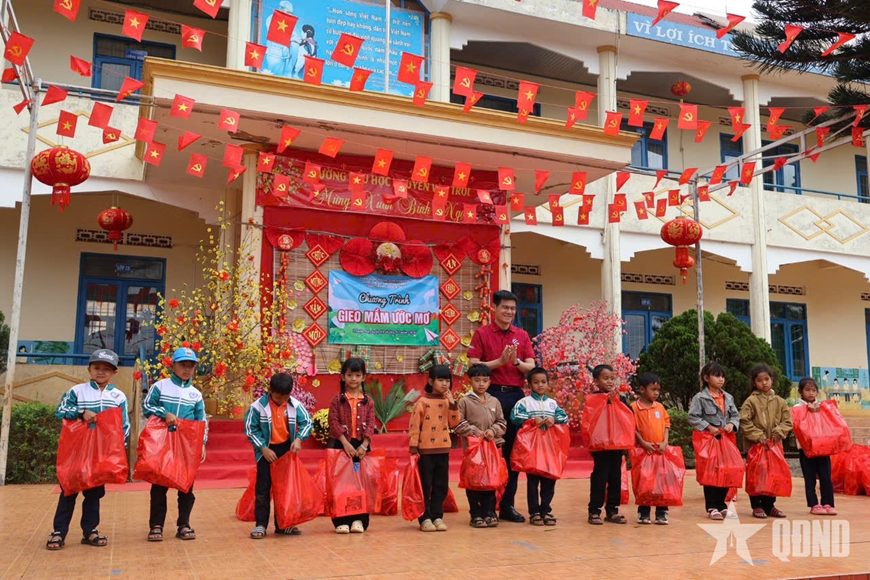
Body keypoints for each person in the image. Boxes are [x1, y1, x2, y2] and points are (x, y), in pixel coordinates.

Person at [47, 349, 129, 550]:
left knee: (94, 492)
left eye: (106, 369)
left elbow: (123, 426)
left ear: (114, 372)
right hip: (77, 450)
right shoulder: (77, 391)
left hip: (101, 453)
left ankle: (90, 530)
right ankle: (59, 531)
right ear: (89, 369)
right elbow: (61, 410)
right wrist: (81, 411)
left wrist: (119, 450)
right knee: (69, 490)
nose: (101, 372)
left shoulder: (118, 396)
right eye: (97, 367)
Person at [467, 290, 535, 523]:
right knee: (488, 450)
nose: (509, 312)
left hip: (516, 396)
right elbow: (473, 365)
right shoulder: (482, 333)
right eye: (505, 307)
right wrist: (499, 362)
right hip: (490, 395)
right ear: (494, 308)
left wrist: (515, 362)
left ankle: (507, 505)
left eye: (512, 308)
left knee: (512, 452)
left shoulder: (522, 335)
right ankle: (485, 507)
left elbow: (531, 367)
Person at [142, 347, 208, 542]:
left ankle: (184, 524)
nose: (187, 369)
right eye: (183, 365)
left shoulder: (195, 394)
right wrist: (165, 413)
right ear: (173, 366)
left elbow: (201, 420)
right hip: (162, 442)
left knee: (186, 486)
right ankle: (156, 525)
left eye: (191, 366)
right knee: (159, 486)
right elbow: (147, 406)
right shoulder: (160, 387)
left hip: (187, 445)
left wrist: (202, 443)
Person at [244, 371, 312, 538]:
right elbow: (250, 429)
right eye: (278, 397)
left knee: (285, 489)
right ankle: (260, 525)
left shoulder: (294, 405)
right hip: (266, 450)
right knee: (263, 488)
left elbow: (307, 422)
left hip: (286, 450)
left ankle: (283, 525)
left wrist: (299, 439)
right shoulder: (257, 407)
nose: (282, 400)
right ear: (270, 391)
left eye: (285, 397)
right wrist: (263, 448)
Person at [510, 367, 568, 526]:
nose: (540, 385)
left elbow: (564, 417)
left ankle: (546, 510)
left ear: (548, 384)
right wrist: (531, 418)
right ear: (529, 384)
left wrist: (554, 419)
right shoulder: (524, 402)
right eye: (536, 382)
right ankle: (534, 512)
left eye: (543, 382)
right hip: (532, 449)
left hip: (549, 449)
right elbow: (514, 416)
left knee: (549, 479)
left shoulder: (552, 404)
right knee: (533, 481)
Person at [327, 358, 376, 534]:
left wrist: (364, 445)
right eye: (349, 375)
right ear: (342, 376)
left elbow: (371, 423)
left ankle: (359, 519)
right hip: (342, 446)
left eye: (357, 375)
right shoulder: (337, 400)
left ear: (363, 377)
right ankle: (341, 520)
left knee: (361, 484)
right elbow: (333, 421)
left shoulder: (368, 401)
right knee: (341, 484)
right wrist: (345, 443)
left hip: (361, 448)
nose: (353, 379)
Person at [455, 363, 507, 528]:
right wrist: (474, 431)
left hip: (492, 449)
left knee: (490, 480)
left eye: (485, 380)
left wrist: (493, 431)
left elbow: (502, 422)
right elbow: (458, 423)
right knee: (474, 481)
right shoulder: (464, 401)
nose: (481, 384)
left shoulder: (494, 401)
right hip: (473, 449)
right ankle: (475, 514)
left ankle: (489, 512)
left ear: (490, 382)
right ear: (470, 381)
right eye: (477, 380)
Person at [409, 364, 460, 532]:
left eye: (448, 380)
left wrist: (453, 405)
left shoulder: (447, 402)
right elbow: (414, 426)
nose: (445, 384)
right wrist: (414, 448)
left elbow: (454, 423)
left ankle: (437, 516)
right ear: (431, 381)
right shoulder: (422, 402)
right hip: (425, 451)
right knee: (425, 485)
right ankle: (425, 518)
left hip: (443, 449)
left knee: (441, 485)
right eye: (441, 380)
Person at [688, 361, 740, 520]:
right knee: (711, 472)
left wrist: (732, 424)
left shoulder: (728, 397)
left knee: (726, 470)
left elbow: (735, 415)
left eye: (722, 376)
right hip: (709, 441)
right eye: (717, 376)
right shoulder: (700, 398)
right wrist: (709, 427)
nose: (721, 379)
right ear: (706, 378)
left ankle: (722, 505)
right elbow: (692, 417)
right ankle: (712, 507)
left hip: (726, 440)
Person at [740, 364, 792, 519]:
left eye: (766, 379)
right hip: (756, 446)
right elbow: (744, 421)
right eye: (759, 380)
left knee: (773, 474)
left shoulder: (780, 401)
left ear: (772, 379)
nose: (764, 383)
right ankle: (756, 505)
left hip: (774, 446)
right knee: (756, 475)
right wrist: (758, 436)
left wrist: (779, 432)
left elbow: (788, 421)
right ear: (754, 382)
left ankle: (770, 506)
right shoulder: (751, 401)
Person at [587, 364, 630, 525]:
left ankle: (612, 510)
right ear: (596, 381)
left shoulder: (621, 398)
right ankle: (594, 510)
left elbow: (629, 416)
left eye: (612, 378)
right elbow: (591, 419)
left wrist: (616, 402)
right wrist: (606, 402)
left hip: (617, 444)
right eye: (605, 378)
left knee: (615, 477)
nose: (610, 381)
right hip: (600, 445)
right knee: (600, 476)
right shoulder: (593, 399)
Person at [631, 372, 671, 525]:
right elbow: (632, 428)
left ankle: (662, 511)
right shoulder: (634, 407)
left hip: (660, 451)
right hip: (644, 452)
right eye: (653, 389)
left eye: (658, 390)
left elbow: (666, 425)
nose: (656, 393)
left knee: (661, 481)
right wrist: (643, 443)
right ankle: (644, 511)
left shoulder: (659, 407)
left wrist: (665, 442)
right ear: (642, 389)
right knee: (644, 482)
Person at [794, 377, 837, 515]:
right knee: (810, 478)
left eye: (814, 390)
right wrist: (807, 411)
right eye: (807, 390)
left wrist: (819, 411)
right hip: (806, 449)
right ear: (801, 392)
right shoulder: (797, 408)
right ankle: (814, 504)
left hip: (823, 447)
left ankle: (828, 503)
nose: (811, 393)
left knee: (826, 477)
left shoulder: (822, 407)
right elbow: (798, 426)